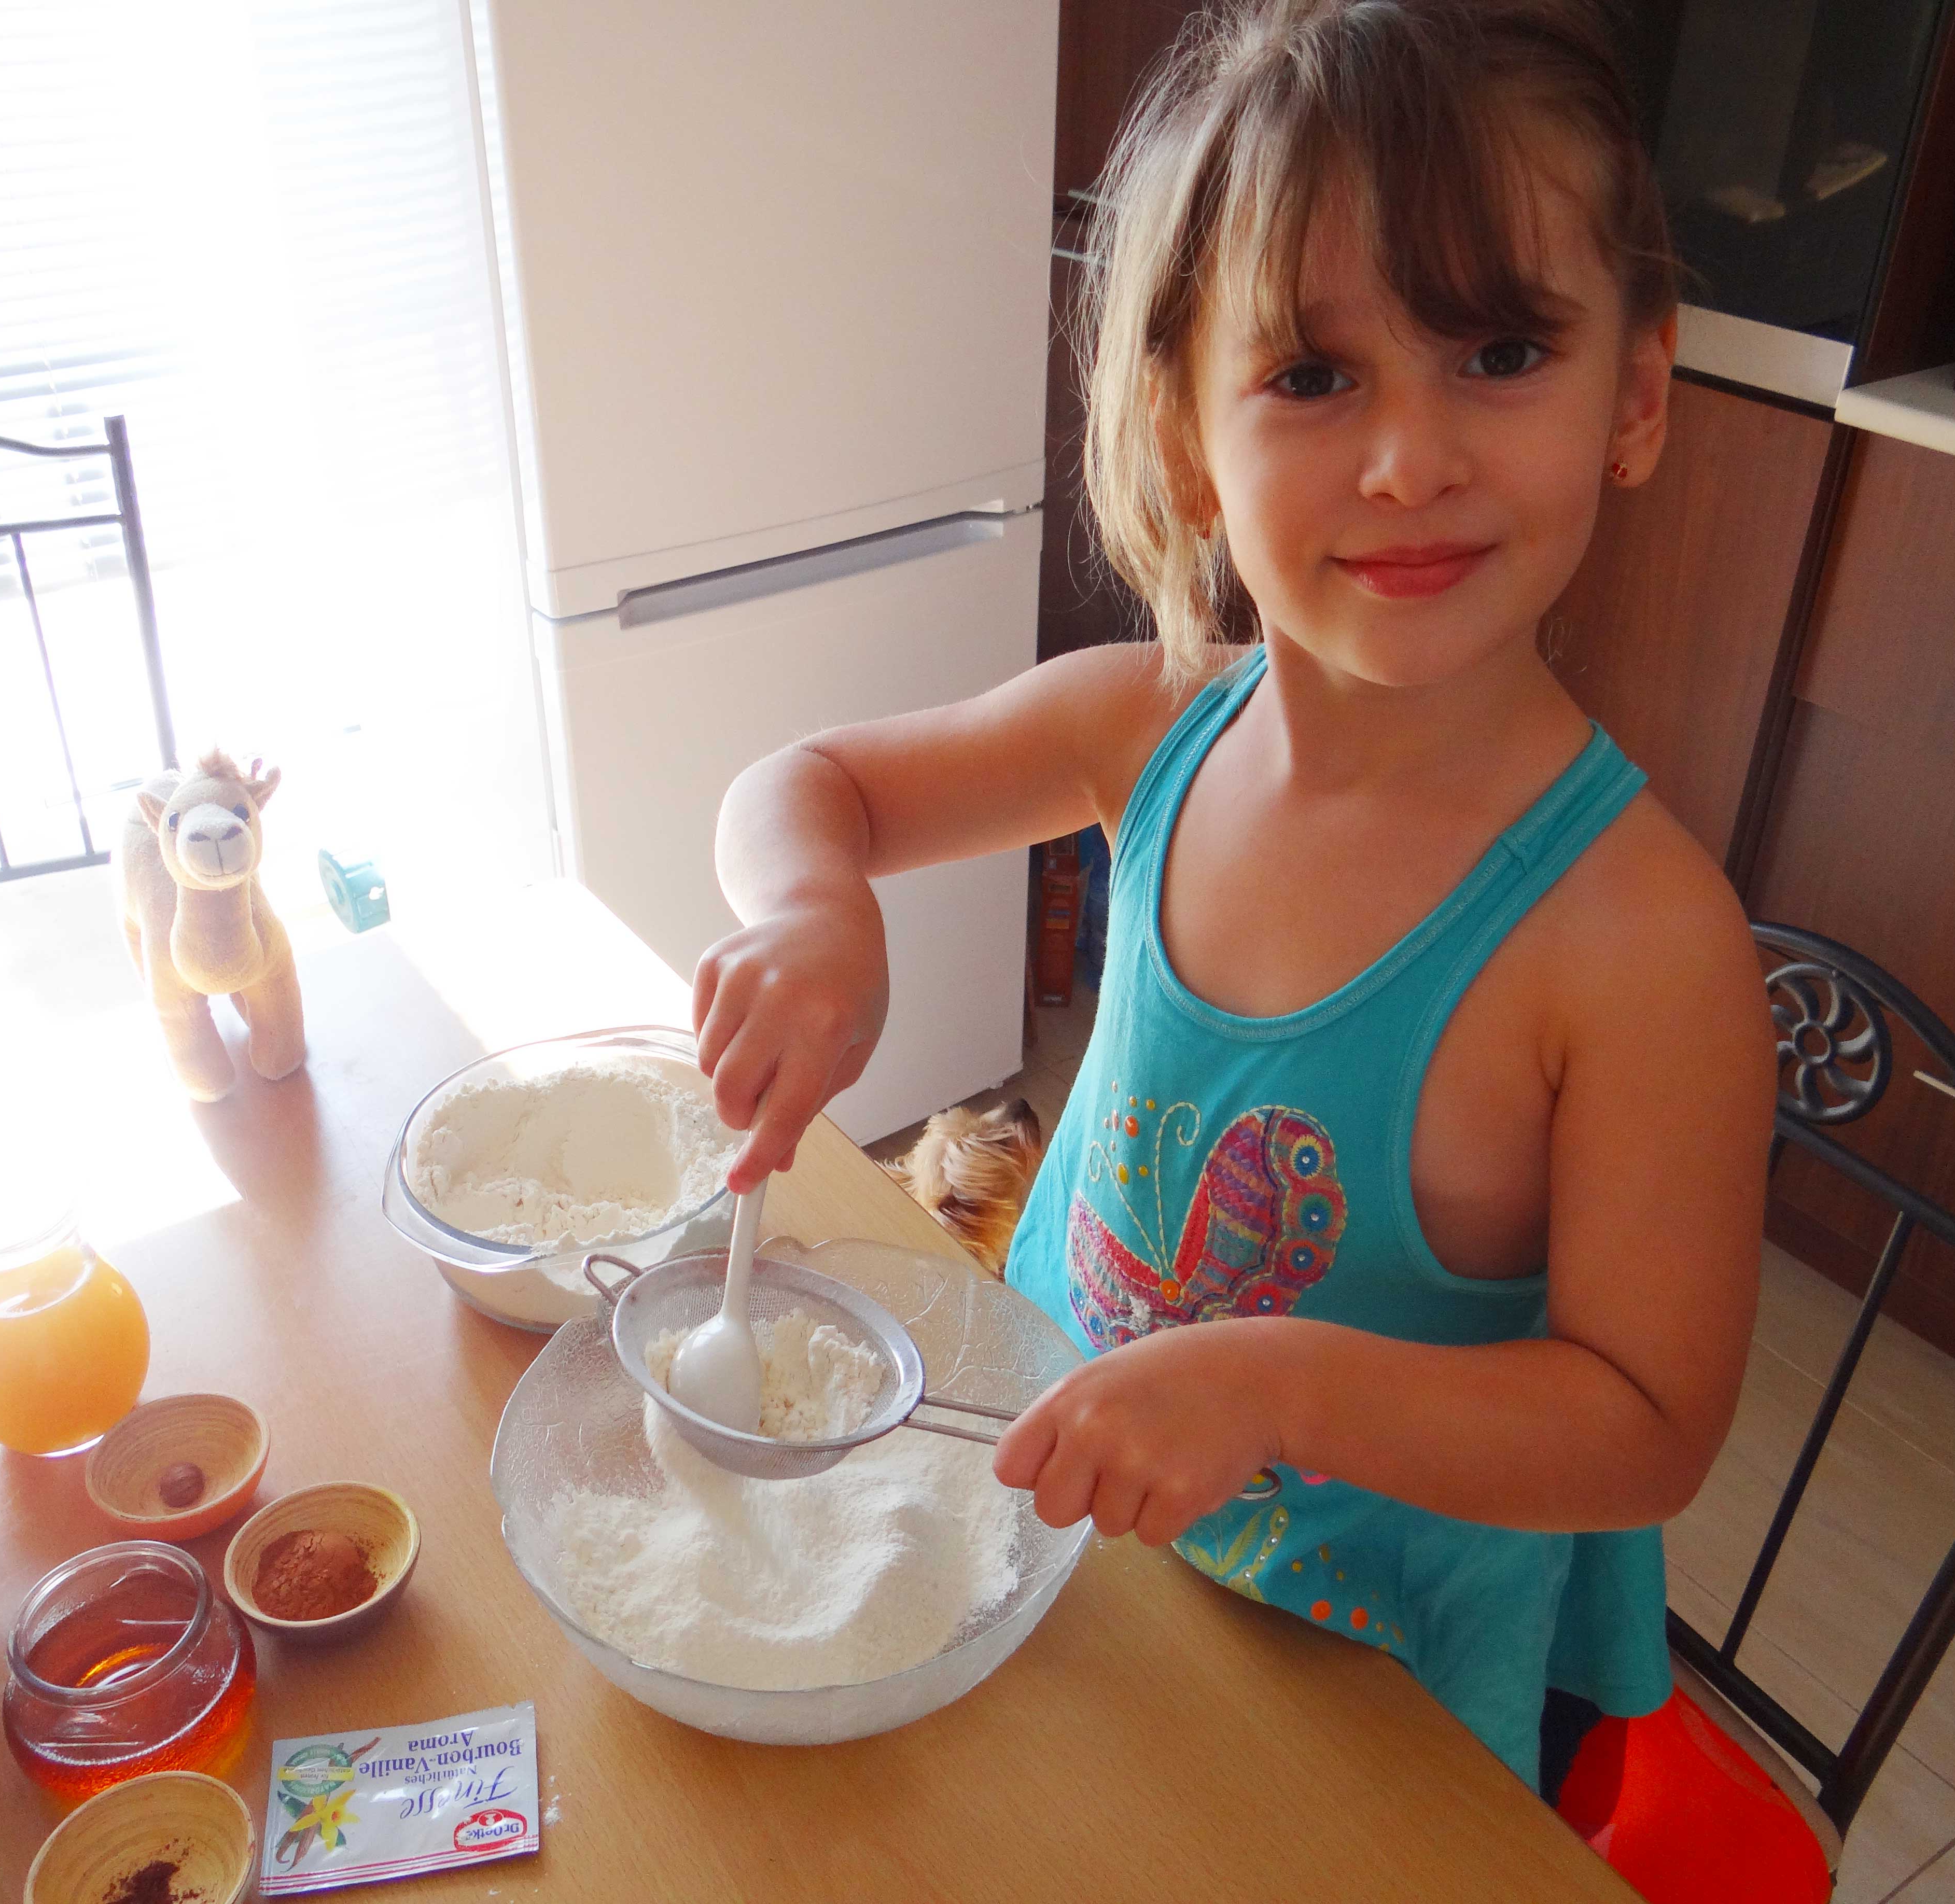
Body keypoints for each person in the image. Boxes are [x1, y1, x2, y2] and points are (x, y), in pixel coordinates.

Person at [690, 0, 1771, 1799]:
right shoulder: (1144, 730)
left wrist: (1277, 1389)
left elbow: (1648, 1429)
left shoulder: (1637, 946)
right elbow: (809, 787)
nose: (1410, 460)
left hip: (1369, 1686)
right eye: (1316, 377)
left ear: (1636, 399)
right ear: (1188, 438)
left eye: (1502, 351)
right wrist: (815, 911)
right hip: (1071, 1541)